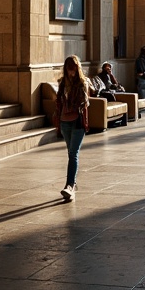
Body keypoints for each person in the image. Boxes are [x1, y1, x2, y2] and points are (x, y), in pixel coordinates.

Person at [53, 55, 89, 201]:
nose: (71, 73)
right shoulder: (62, 84)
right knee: (70, 153)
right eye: (69, 70)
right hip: (64, 122)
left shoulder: (82, 83)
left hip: (77, 122)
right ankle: (73, 183)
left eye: (73, 70)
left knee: (73, 153)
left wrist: (86, 122)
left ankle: (69, 186)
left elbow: (86, 104)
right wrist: (57, 124)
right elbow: (58, 104)